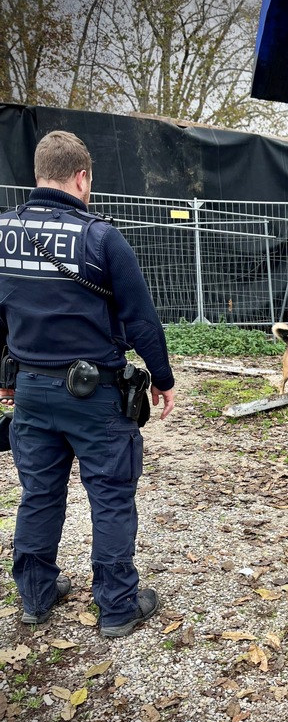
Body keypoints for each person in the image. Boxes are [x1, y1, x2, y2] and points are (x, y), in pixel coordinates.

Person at [0, 130, 175, 637]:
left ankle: (34, 595)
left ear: (38, 175)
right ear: (82, 178)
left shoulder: (4, 233)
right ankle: (118, 606)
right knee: (112, 497)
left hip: (31, 392)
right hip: (96, 395)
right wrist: (162, 380)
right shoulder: (101, 237)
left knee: (38, 494)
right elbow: (141, 320)